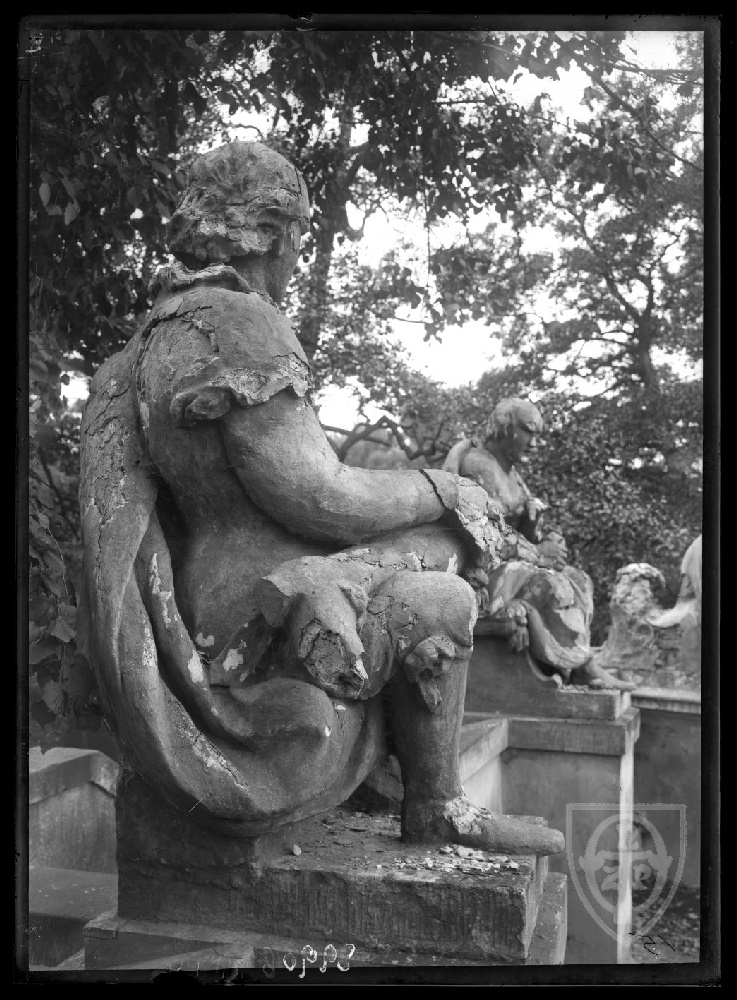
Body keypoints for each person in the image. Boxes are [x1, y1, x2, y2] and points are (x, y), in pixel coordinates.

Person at [79, 142, 564, 856]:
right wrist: (443, 488)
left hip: (209, 593)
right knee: (440, 595)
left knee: (432, 553)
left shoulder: (156, 334)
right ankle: (438, 806)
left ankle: (346, 589)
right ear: (270, 230)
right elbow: (317, 494)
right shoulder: (239, 323)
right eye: (301, 234)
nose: (300, 253)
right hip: (256, 611)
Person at [444, 399, 634, 689]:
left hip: (513, 568)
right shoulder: (479, 465)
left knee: (579, 579)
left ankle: (579, 666)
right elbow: (484, 533)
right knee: (550, 583)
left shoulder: (513, 474)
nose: (534, 443)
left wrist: (538, 533)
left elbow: (519, 532)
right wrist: (540, 555)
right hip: (483, 575)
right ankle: (578, 666)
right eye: (529, 432)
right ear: (504, 428)